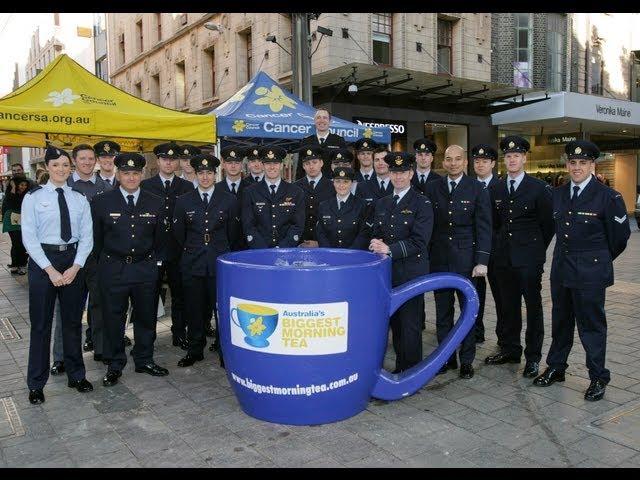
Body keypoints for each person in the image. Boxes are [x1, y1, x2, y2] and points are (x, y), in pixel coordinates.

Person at [533, 140, 630, 402]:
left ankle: (598, 376)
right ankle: (556, 367)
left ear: (592, 165)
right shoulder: (559, 193)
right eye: (572, 162)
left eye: (583, 163)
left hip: (590, 273)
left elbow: (619, 238)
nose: (577, 167)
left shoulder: (608, 196)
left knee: (591, 326)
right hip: (562, 268)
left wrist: (596, 260)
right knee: (561, 322)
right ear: (567, 165)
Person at [21, 146, 94, 404]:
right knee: (41, 326)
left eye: (65, 165)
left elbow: (87, 236)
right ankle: (36, 383)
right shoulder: (33, 197)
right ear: (47, 168)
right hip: (44, 263)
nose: (61, 169)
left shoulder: (78, 198)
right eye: (56, 165)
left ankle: (76, 375)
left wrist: (75, 267)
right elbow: (28, 237)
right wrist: (50, 270)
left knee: (73, 323)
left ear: (70, 168)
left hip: (72, 260)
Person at [93, 152, 169, 387]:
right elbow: (96, 241)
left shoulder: (155, 201)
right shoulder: (102, 202)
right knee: (113, 319)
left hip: (144, 269)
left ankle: (144, 359)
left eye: (136, 173)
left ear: (142, 174)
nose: (131, 177)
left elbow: (161, 239)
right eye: (126, 173)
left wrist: (154, 264)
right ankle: (115, 364)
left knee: (146, 317)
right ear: (118, 174)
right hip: (113, 269)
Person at [484, 136, 554, 378]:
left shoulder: (540, 188)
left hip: (529, 259)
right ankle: (511, 349)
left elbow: (548, 225)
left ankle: (533, 357)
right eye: (509, 156)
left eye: (517, 155)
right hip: (503, 259)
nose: (512, 159)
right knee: (507, 307)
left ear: (525, 158)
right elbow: (494, 224)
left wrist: (534, 251)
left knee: (533, 308)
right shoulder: (496, 188)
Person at [425, 145, 492, 379]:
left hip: (468, 263)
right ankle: (446, 359)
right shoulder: (432, 188)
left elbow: (484, 227)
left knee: (468, 312)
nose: (453, 163)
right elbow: (428, 227)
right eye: (448, 159)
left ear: (465, 163)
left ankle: (466, 360)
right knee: (443, 313)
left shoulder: (477, 188)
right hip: (440, 260)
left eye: (458, 159)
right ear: (443, 162)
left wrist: (482, 260)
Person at [173, 153, 240, 368]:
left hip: (219, 263)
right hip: (193, 263)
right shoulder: (184, 201)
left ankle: (223, 351)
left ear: (215, 174)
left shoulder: (228, 200)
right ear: (195, 174)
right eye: (200, 173)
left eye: (209, 173)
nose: (204, 177)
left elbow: (233, 233)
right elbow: (179, 234)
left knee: (220, 310)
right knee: (194, 309)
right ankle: (195, 350)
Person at [369, 152, 433, 373]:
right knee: (395, 321)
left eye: (402, 172)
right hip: (387, 272)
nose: (398, 177)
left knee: (410, 323)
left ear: (411, 173)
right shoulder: (383, 202)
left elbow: (419, 241)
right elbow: (377, 231)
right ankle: (400, 366)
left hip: (411, 272)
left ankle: (411, 370)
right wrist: (376, 242)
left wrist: (389, 249)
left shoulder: (422, 202)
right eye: (394, 172)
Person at [141, 142, 194, 350]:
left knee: (180, 296)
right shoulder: (145, 186)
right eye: (165, 159)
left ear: (178, 162)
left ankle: (179, 333)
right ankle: (148, 337)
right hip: (152, 250)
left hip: (178, 250)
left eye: (173, 159)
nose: (169, 162)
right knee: (149, 297)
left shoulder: (186, 187)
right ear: (159, 161)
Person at [470, 144, 502, 344]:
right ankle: (476, 330)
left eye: (484, 161)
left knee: (502, 297)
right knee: (476, 294)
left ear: (493, 164)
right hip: (475, 250)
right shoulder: (468, 186)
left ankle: (504, 339)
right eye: (477, 161)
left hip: (498, 251)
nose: (480, 165)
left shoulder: (501, 186)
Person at [242, 146, 305, 248]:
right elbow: (248, 225)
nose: (272, 167)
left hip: (286, 250)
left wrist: (282, 248)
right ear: (262, 166)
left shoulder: (296, 192)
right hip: (259, 250)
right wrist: (263, 249)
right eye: (268, 164)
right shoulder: (250, 192)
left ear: (281, 166)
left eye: (275, 163)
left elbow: (297, 225)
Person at [316, 166, 370, 249]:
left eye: (345, 182)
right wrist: (329, 252)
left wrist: (349, 253)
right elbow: (321, 233)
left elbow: (364, 233)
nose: (341, 185)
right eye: (338, 181)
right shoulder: (324, 205)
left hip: (354, 255)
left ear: (352, 183)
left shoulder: (362, 205)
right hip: (330, 255)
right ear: (333, 183)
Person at [295, 145, 335, 247]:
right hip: (300, 241)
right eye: (307, 163)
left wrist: (320, 243)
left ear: (321, 163)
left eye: (314, 162)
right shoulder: (295, 187)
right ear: (303, 166)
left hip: (325, 241)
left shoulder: (333, 186)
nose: (311, 166)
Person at [298, 108, 346, 179]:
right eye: (318, 118)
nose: (321, 120)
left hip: (332, 183)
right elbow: (300, 167)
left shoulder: (339, 141)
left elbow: (344, 165)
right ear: (314, 121)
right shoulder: (306, 141)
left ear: (330, 121)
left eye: (325, 118)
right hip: (312, 183)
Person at [2, 174, 30, 275]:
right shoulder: (10, 193)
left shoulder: (26, 194)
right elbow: (11, 202)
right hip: (11, 221)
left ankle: (22, 264)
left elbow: (19, 203)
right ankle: (15, 264)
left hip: (23, 220)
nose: (23, 187)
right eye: (21, 185)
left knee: (21, 242)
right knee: (15, 242)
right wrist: (13, 187)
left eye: (25, 185)